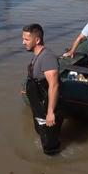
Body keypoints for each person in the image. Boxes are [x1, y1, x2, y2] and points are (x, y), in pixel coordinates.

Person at [22, 23, 62, 155]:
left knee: (50, 147)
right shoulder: (36, 55)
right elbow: (35, 78)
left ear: (37, 40)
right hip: (39, 105)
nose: (23, 42)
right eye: (23, 39)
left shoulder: (47, 57)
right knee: (41, 132)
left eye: (26, 39)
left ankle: (54, 167)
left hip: (46, 108)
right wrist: (26, 89)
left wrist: (50, 112)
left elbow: (54, 85)